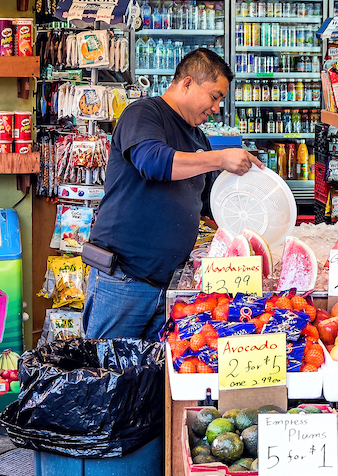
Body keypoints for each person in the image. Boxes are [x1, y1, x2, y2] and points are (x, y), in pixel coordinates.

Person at [81, 48, 258, 340]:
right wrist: (219, 158)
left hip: (169, 285)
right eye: (214, 96)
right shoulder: (143, 113)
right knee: (110, 376)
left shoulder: (197, 137)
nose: (216, 108)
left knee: (155, 381)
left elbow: (210, 204)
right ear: (187, 83)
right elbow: (154, 161)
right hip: (124, 280)